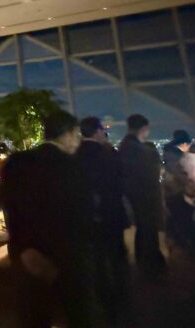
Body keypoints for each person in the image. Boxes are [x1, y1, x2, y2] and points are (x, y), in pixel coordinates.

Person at [1, 111, 97, 328]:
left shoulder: (17, 162)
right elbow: (83, 216)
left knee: (32, 316)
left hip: (28, 258)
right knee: (75, 316)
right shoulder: (76, 167)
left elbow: (11, 209)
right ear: (70, 133)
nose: (79, 141)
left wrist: (24, 249)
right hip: (68, 259)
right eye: (78, 134)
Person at [76, 116, 129, 325]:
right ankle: (118, 302)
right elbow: (120, 181)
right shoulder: (108, 153)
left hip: (88, 216)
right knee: (115, 257)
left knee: (95, 258)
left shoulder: (75, 155)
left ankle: (100, 297)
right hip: (111, 213)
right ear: (98, 131)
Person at [118, 114, 167, 280]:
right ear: (144, 129)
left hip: (134, 196)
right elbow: (151, 174)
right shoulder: (142, 150)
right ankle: (150, 267)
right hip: (145, 196)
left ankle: (144, 262)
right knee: (148, 230)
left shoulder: (124, 146)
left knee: (143, 228)